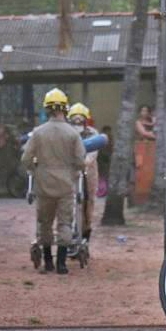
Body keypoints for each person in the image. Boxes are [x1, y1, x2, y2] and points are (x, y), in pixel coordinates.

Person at [22, 88, 86, 274]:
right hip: (66, 184)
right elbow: (81, 161)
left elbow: (26, 158)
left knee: (45, 223)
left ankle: (48, 261)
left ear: (47, 109)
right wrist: (73, 172)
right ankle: (62, 264)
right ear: (65, 108)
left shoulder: (38, 133)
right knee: (65, 223)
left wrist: (36, 170)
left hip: (43, 183)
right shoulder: (72, 133)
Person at [67, 103, 99, 242]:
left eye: (81, 117)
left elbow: (92, 154)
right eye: (75, 117)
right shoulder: (66, 132)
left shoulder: (92, 134)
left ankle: (86, 231)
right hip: (68, 171)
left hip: (88, 171)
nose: (78, 120)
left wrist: (84, 163)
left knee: (88, 200)